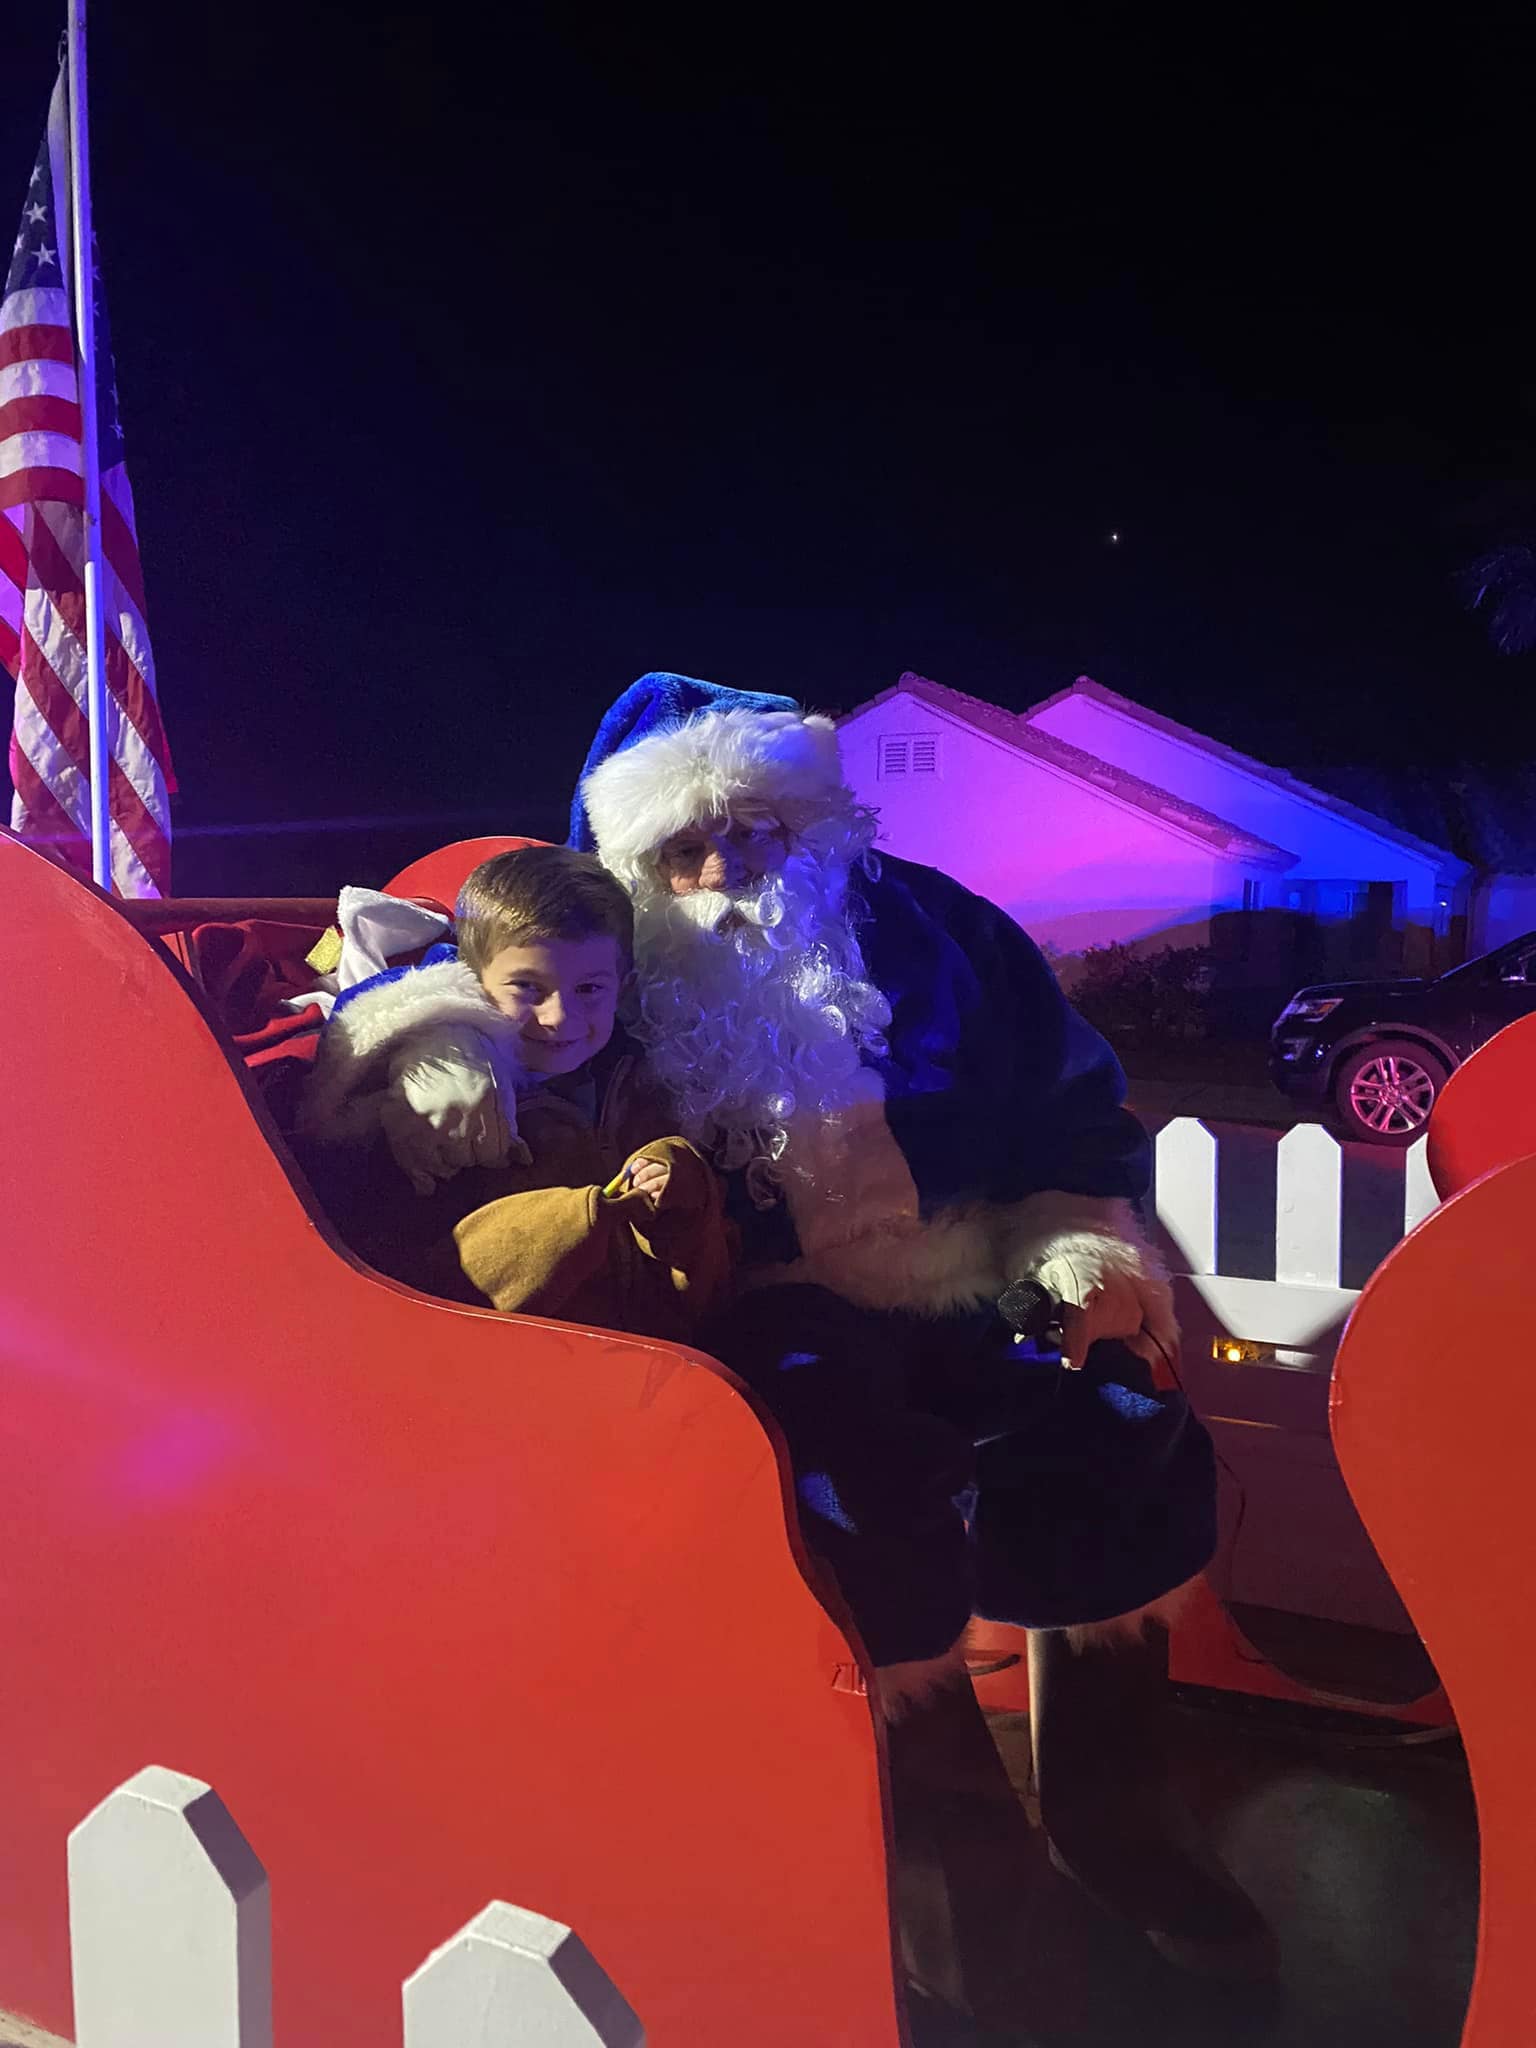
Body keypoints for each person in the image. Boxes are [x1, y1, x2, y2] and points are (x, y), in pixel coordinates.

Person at [295, 844, 733, 1341]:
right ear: (472, 983)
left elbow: (708, 1279)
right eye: (527, 988)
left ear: (623, 986)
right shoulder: (450, 1110)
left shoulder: (639, 1080)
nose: (559, 1017)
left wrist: (680, 1181)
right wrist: (572, 1221)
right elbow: (413, 1281)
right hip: (510, 1371)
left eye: (589, 989)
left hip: (656, 1361)